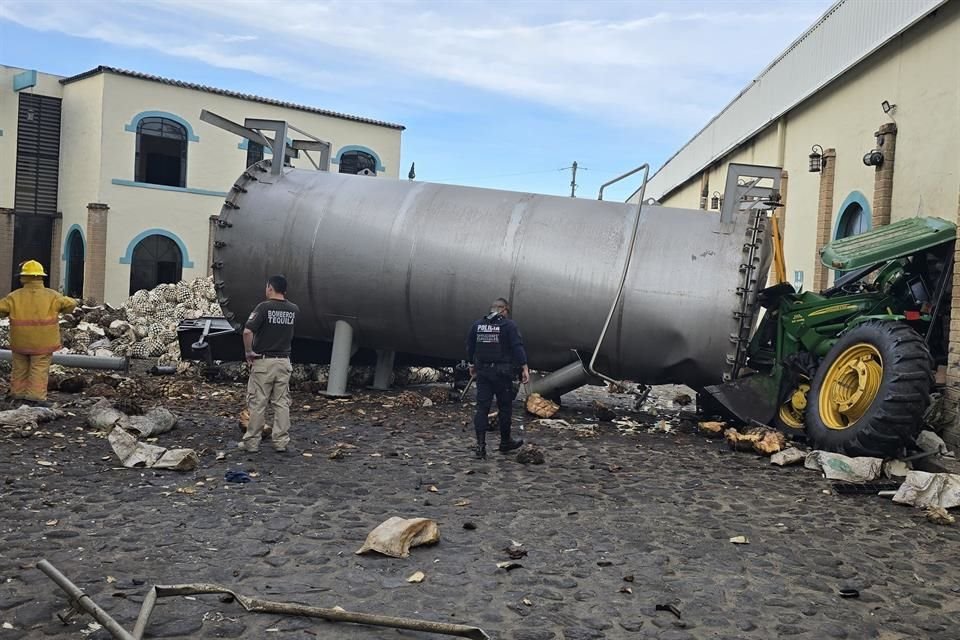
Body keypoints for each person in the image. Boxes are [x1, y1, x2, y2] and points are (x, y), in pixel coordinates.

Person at [0, 260, 77, 406]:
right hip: (43, 343)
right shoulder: (52, 296)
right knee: (39, 369)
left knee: (19, 369)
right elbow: (70, 304)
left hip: (20, 343)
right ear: (41, 277)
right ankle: (35, 398)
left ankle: (17, 395)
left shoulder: (14, 297)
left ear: (24, 277)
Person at [238, 275, 299, 453]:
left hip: (264, 362)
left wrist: (249, 352)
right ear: (285, 290)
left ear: (270, 288)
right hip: (284, 362)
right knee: (281, 403)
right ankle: (281, 442)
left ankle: (252, 442)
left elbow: (248, 331)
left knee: (258, 403)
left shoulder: (263, 308)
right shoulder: (294, 310)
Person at [467, 297, 530, 459]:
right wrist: (524, 367)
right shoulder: (509, 325)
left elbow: (470, 347)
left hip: (483, 373)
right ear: (503, 310)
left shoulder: (477, 325)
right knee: (505, 408)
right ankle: (505, 442)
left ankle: (480, 446)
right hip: (503, 374)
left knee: (482, 409)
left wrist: (471, 365)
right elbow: (517, 346)